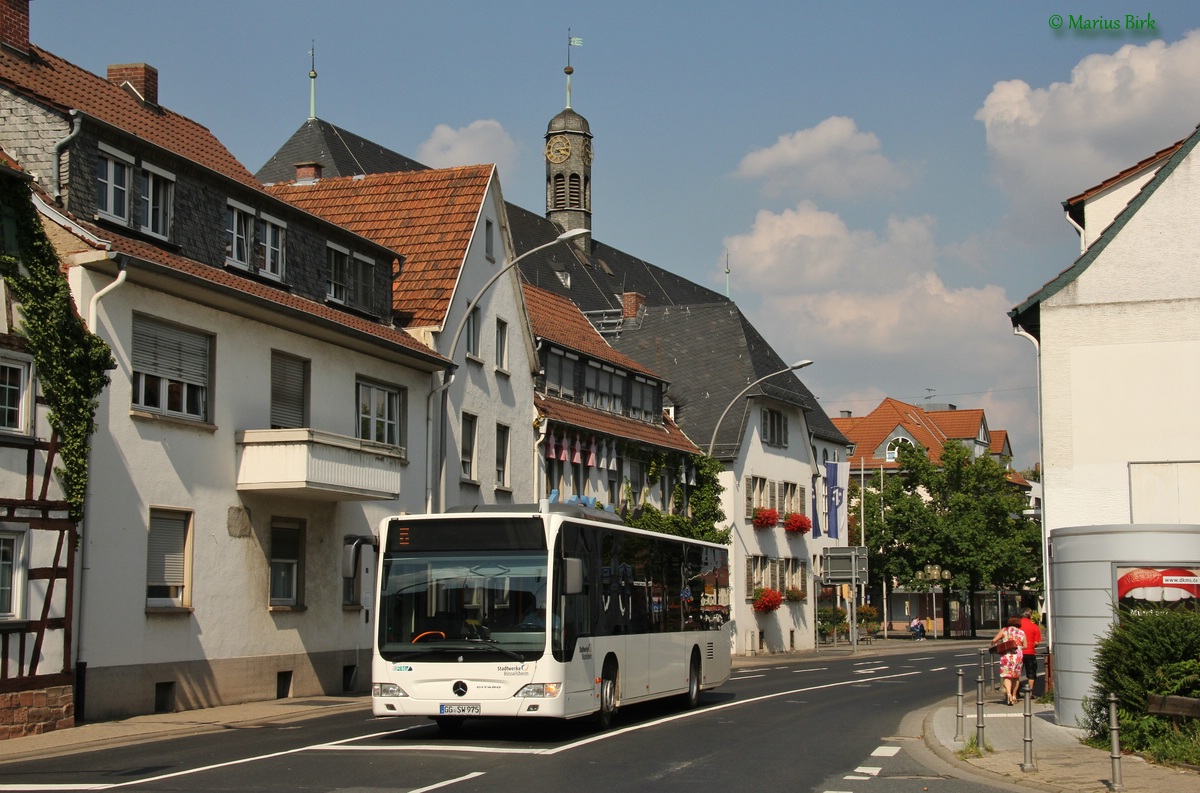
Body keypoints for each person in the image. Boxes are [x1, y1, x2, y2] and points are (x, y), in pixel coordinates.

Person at [990, 616, 1027, 705]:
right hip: (1017, 656)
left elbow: (994, 640)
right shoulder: (1021, 632)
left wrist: (1002, 644)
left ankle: (1009, 694)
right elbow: (1026, 646)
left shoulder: (1004, 630)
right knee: (1016, 676)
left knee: (1007, 676)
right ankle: (1014, 696)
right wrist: (1018, 647)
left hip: (1006, 656)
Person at [1018, 608, 1042, 694]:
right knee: (1031, 673)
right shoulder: (1034, 627)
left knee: (1017, 674)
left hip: (1018, 653)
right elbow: (1036, 642)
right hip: (1030, 652)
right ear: (1030, 615)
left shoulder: (1016, 626)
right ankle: (1030, 693)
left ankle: (1015, 693)